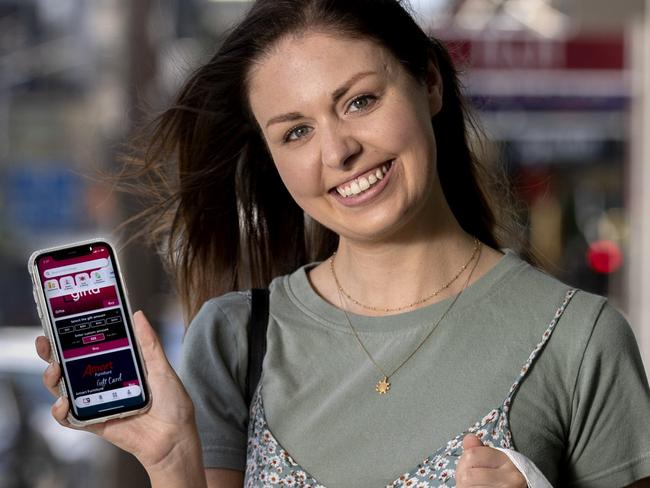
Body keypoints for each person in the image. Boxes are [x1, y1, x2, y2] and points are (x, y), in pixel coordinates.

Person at [36, 0, 650, 487]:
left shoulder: (581, 339)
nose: (337, 152)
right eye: (296, 131)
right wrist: (170, 458)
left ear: (429, 83)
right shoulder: (233, 339)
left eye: (360, 101)